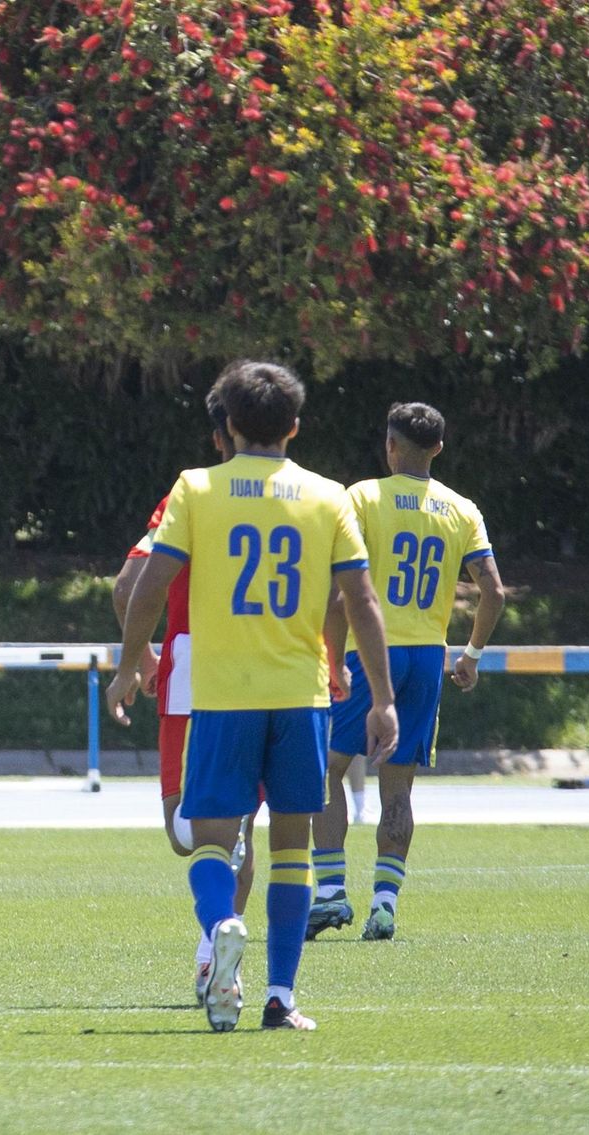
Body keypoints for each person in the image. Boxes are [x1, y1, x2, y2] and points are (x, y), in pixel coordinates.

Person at [107, 360, 398, 1032]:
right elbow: (361, 598)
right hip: (300, 696)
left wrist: (129, 661)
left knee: (213, 841)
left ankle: (222, 925)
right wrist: (382, 697)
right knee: (291, 845)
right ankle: (282, 996)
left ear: (229, 425)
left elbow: (147, 583)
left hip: (220, 695)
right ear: (294, 426)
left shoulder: (196, 489)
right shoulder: (329, 496)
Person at [309, 401, 504, 941]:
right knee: (398, 789)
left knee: (324, 771)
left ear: (390, 445)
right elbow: (493, 590)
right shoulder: (463, 510)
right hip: (425, 657)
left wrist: (330, 652)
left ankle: (329, 894)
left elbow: (337, 589)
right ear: (438, 449)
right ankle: (385, 904)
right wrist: (472, 654)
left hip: (366, 652)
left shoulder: (363, 497)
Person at [113, 390, 256, 1005]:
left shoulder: (192, 491)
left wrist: (140, 660)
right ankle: (225, 961)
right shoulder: (311, 494)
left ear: (219, 434)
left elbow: (128, 586)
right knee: (244, 825)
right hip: (274, 667)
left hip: (195, 667)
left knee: (188, 831)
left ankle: (213, 948)